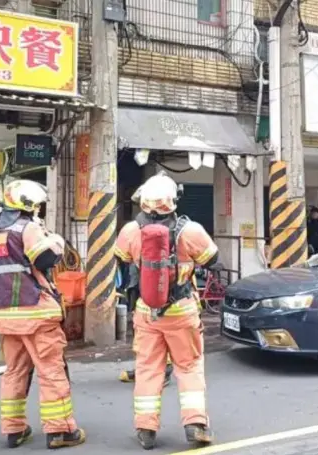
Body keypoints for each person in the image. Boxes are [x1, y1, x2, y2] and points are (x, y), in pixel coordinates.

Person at [114, 171, 219, 450]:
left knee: (148, 369)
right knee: (189, 367)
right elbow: (212, 258)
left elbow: (122, 259)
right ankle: (195, 425)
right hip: (182, 311)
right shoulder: (190, 230)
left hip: (146, 312)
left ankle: (146, 429)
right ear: (173, 201)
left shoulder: (130, 230)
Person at [0, 179, 85, 450]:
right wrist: (55, 241)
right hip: (35, 312)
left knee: (15, 371)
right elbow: (45, 260)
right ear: (29, 204)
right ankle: (61, 430)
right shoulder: (27, 227)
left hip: (6, 314)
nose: (40, 210)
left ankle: (14, 429)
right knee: (51, 370)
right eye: (38, 205)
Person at [118, 185, 174, 386]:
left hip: (142, 287)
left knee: (148, 331)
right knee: (151, 331)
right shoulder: (184, 228)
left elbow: (121, 256)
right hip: (174, 292)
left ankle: (159, 370)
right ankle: (149, 368)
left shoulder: (132, 229)